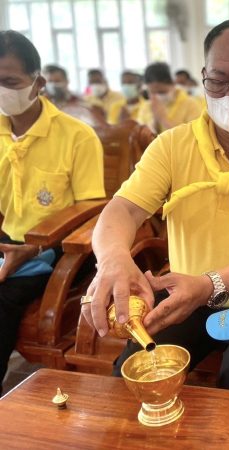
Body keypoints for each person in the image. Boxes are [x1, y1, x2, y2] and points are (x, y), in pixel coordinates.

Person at [83, 19, 229, 396]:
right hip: (187, 291)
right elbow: (124, 210)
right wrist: (112, 258)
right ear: (202, 77)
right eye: (218, 80)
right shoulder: (172, 145)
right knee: (139, 369)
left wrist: (209, 284)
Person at [0, 31, 105, 394]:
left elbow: (91, 213)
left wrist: (32, 250)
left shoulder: (76, 137)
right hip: (7, 241)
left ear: (38, 83)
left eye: (9, 82)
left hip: (54, 246)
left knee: (4, 297)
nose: (2, 91)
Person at [137, 62, 202, 133]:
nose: (157, 96)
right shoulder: (146, 106)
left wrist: (164, 120)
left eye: (161, 92)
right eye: (152, 92)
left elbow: (195, 136)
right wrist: (156, 120)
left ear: (173, 84)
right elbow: (142, 138)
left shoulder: (190, 104)